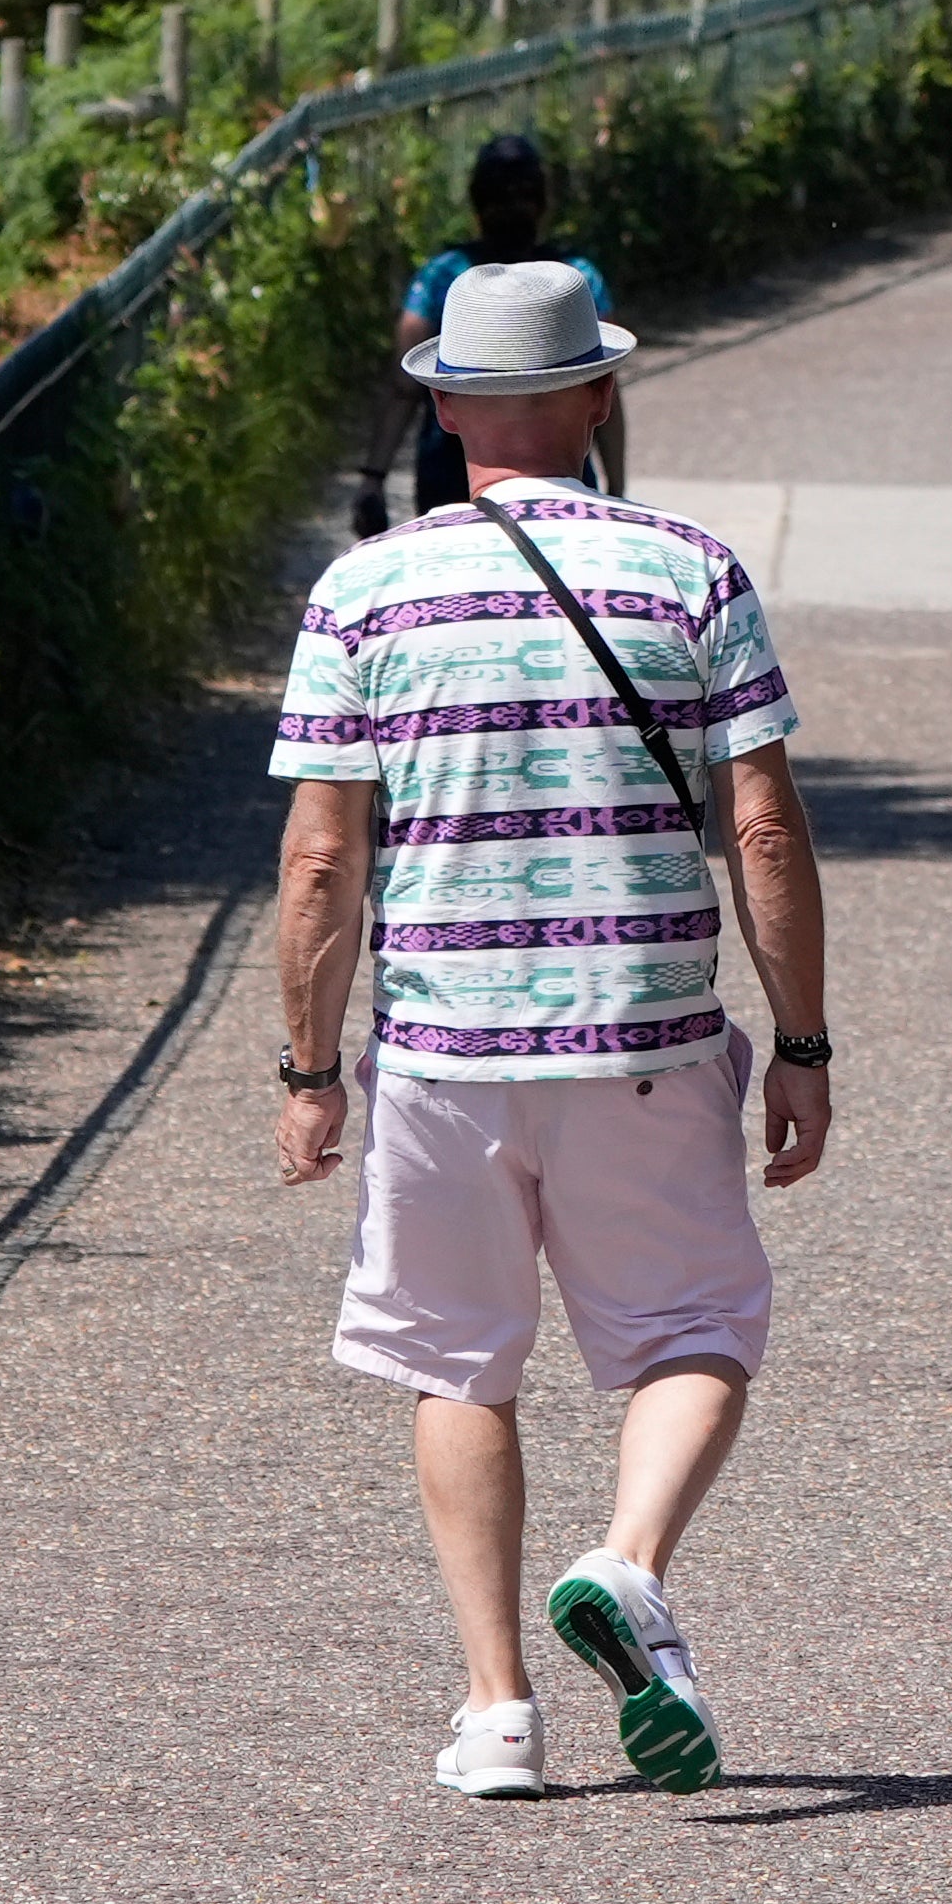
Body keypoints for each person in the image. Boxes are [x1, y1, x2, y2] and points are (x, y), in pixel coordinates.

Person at [273, 261, 837, 1802]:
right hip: (644, 1032)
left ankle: (499, 1711)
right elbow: (766, 831)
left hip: (445, 1054)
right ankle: (631, 1562)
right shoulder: (692, 572)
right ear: (596, 395)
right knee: (701, 1330)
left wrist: (311, 1066)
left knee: (457, 1365)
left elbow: (324, 855)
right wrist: (803, 1041)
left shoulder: (361, 595)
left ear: (446, 408)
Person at [360, 132, 623, 527]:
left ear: (477, 205)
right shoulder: (576, 281)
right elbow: (605, 386)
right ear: (543, 203)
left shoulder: (442, 277)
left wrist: (374, 477)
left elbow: (402, 387)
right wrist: (617, 491)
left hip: (452, 480)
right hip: (564, 486)